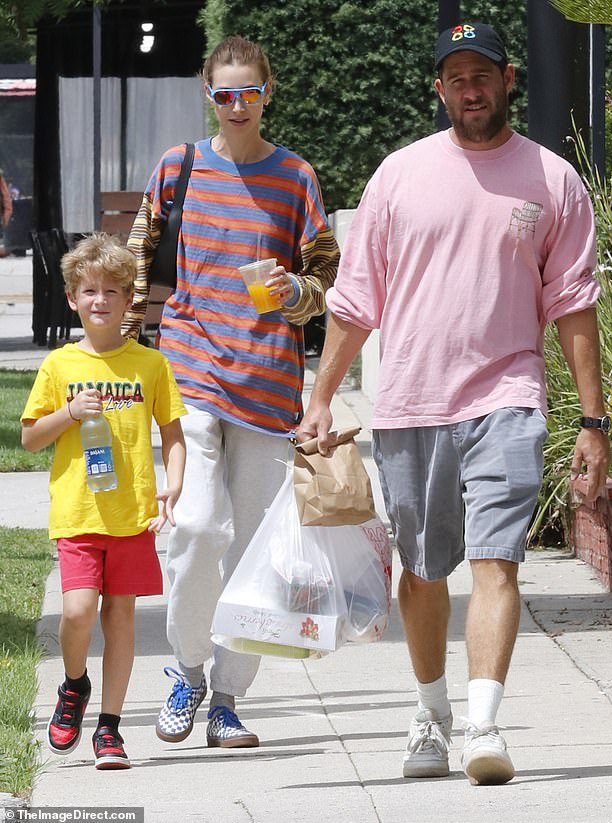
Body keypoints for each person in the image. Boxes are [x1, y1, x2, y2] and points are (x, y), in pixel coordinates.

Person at [297, 22, 611, 786]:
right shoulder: (398, 176)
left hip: (508, 395)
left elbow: (574, 304)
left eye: (482, 75)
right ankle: (431, 710)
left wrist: (596, 421)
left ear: (508, 79)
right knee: (424, 569)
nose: (470, 89)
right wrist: (321, 394)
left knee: (498, 560)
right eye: (455, 78)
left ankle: (483, 721)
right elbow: (355, 298)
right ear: (440, 90)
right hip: (411, 403)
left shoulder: (551, 179)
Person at [122, 35, 339, 748]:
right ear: (208, 94)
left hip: (269, 381)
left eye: (250, 93)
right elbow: (134, 259)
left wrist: (296, 290)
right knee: (191, 527)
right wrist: (124, 354)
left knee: (253, 550)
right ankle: (185, 670)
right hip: (191, 370)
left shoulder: (297, 177)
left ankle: (228, 698)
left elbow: (329, 281)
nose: (238, 105)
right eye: (225, 93)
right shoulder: (177, 167)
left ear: (267, 93)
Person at [21, 233, 186, 770]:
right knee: (76, 612)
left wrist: (174, 483)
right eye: (88, 290)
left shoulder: (150, 365)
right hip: (78, 512)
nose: (100, 300)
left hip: (132, 514)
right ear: (72, 298)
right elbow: (30, 438)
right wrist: (68, 413)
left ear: (127, 299)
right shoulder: (59, 366)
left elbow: (173, 433)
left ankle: (110, 729)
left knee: (119, 618)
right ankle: (74, 686)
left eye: (111, 291)